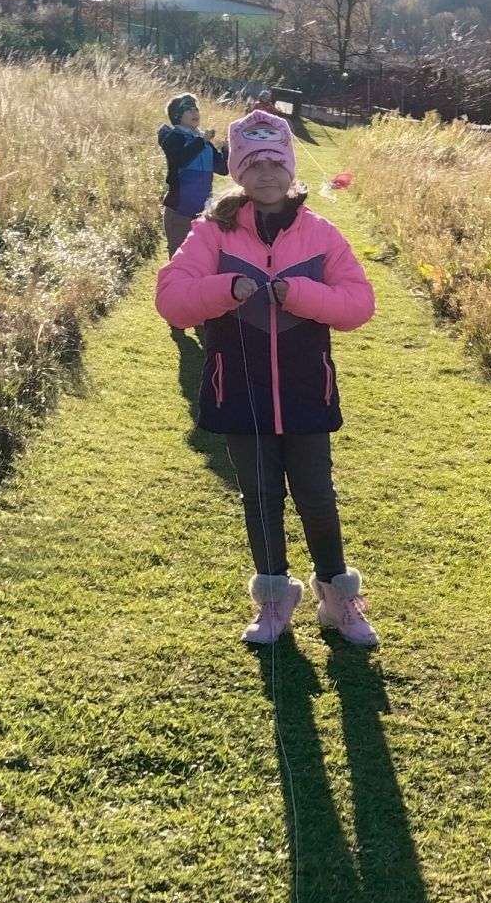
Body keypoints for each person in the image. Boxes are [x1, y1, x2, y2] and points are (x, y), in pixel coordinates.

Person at [154, 108, 380, 648]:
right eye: (254, 163)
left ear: (291, 168)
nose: (266, 174)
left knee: (317, 495)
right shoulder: (211, 233)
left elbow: (358, 305)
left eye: (276, 163)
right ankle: (275, 599)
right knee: (259, 496)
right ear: (237, 170)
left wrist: (298, 294)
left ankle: (338, 598)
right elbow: (172, 300)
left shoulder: (321, 234)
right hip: (238, 390)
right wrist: (224, 288)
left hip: (307, 390)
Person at [157, 94, 226, 397]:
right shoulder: (172, 136)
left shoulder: (202, 140)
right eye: (188, 109)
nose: (195, 112)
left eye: (196, 108)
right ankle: (176, 314)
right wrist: (203, 140)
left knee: (205, 264)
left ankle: (197, 311)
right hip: (179, 213)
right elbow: (180, 159)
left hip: (203, 215)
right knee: (179, 264)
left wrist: (226, 147)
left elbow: (223, 169)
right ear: (177, 115)